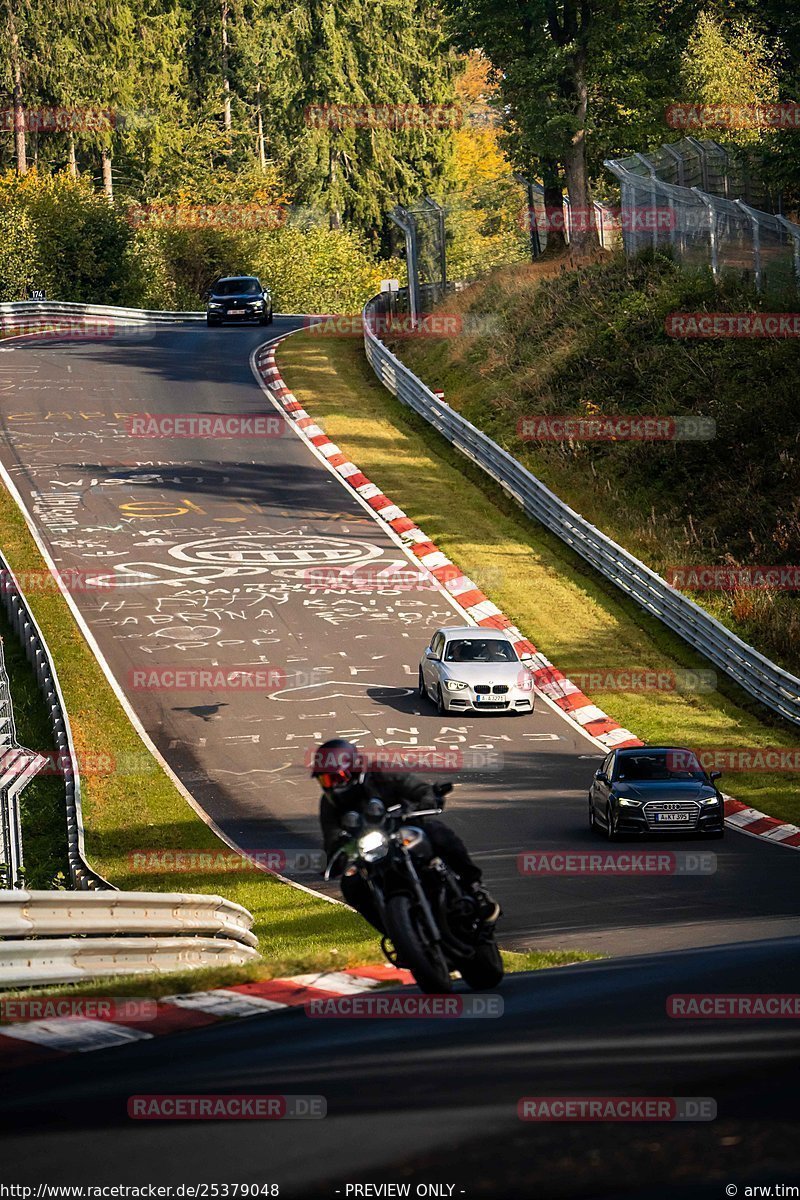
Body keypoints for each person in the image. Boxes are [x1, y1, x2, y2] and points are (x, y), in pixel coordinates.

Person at [311, 738, 500, 928]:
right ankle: (391, 931)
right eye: (325, 780)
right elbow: (331, 837)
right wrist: (335, 857)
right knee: (351, 884)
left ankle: (476, 888)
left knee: (438, 832)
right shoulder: (329, 805)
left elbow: (417, 788)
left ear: (353, 769)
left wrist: (428, 798)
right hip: (372, 852)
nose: (332, 786)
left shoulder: (381, 772)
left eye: (336, 778)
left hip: (405, 830)